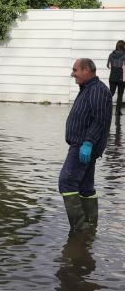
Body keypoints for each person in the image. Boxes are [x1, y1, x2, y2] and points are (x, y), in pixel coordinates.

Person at [59, 58, 112, 232]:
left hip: (83, 146)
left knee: (66, 182)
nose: (72, 73)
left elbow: (100, 120)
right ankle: (90, 226)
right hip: (81, 145)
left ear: (87, 70)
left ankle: (79, 229)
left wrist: (88, 143)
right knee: (85, 187)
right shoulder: (87, 89)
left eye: (75, 70)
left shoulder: (98, 90)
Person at [106, 40, 125, 115]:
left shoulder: (111, 54)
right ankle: (118, 111)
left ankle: (105, 108)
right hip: (122, 78)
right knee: (120, 95)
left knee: (111, 93)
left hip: (112, 77)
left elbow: (108, 66)